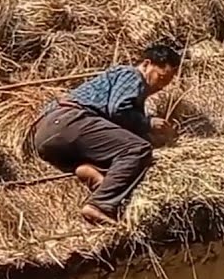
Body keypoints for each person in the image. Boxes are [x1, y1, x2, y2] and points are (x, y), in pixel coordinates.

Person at [32, 43, 182, 226]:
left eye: (166, 83)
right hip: (70, 121)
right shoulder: (131, 75)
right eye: (161, 78)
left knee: (120, 160)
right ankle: (100, 205)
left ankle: (90, 172)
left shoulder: (126, 87)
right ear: (146, 64)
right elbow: (118, 110)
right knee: (137, 149)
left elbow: (118, 128)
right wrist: (148, 123)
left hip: (47, 136)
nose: (161, 86)